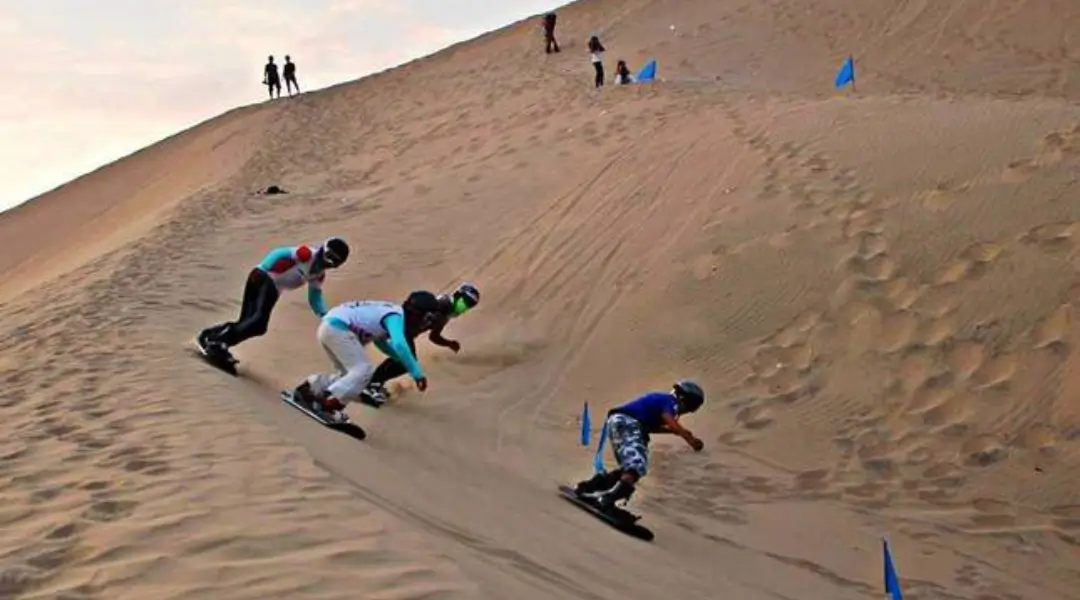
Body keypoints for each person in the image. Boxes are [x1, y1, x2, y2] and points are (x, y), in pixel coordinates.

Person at [291, 291, 443, 423]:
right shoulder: (396, 316)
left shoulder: (391, 312)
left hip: (330, 327)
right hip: (338, 328)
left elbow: (380, 341)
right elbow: (400, 344)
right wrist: (416, 373)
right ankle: (328, 404)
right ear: (417, 313)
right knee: (364, 370)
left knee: (348, 375)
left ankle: (309, 388)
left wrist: (397, 357)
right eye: (427, 316)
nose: (426, 322)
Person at [196, 238, 350, 362]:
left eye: (335, 262)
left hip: (273, 287)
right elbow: (279, 253)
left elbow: (315, 297)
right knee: (258, 322)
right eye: (329, 257)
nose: (329, 263)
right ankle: (218, 343)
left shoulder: (318, 275)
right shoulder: (305, 254)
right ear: (323, 250)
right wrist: (267, 267)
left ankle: (213, 336)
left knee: (250, 323)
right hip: (264, 277)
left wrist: (325, 315)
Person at [574, 380, 706, 510]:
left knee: (630, 469)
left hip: (622, 422)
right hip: (627, 422)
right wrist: (688, 438)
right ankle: (607, 500)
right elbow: (668, 418)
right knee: (636, 465)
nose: (688, 411)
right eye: (691, 407)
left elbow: (650, 426)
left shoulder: (662, 402)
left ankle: (591, 486)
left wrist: (673, 431)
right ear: (683, 399)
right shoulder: (669, 401)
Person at [362, 283, 480, 404]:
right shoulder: (442, 304)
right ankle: (371, 385)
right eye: (465, 302)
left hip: (404, 331)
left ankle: (373, 383)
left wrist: (449, 343)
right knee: (407, 361)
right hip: (401, 328)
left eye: (469, 305)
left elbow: (434, 336)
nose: (465, 307)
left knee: (402, 360)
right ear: (457, 295)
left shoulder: (446, 314)